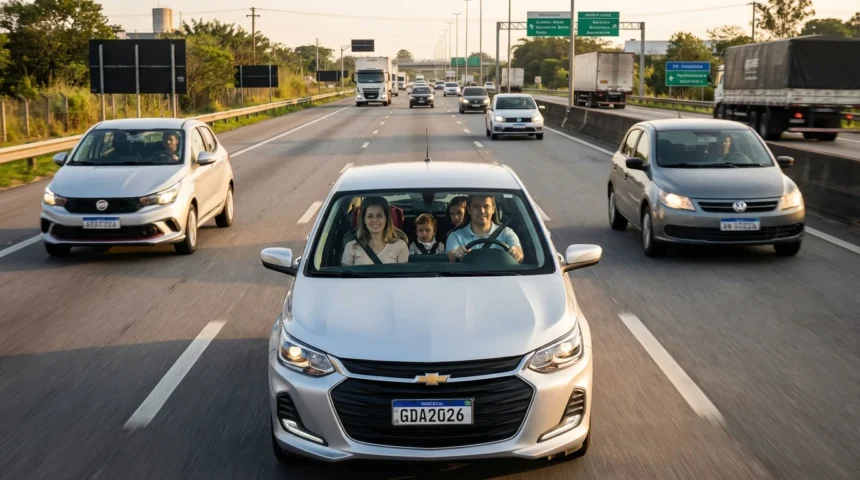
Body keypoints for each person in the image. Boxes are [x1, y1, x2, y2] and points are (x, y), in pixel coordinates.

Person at [446, 194, 524, 263]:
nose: (482, 211)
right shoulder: (455, 236)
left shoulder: (506, 233)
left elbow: (520, 255)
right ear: (469, 210)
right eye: (476, 206)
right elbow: (450, 257)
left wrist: (516, 254)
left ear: (493, 209)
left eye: (486, 206)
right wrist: (457, 254)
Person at [342, 196, 409, 265]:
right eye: (370, 216)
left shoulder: (400, 246)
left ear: (386, 218)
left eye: (379, 216)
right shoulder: (351, 247)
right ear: (364, 220)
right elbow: (344, 275)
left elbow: (404, 275)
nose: (374, 220)